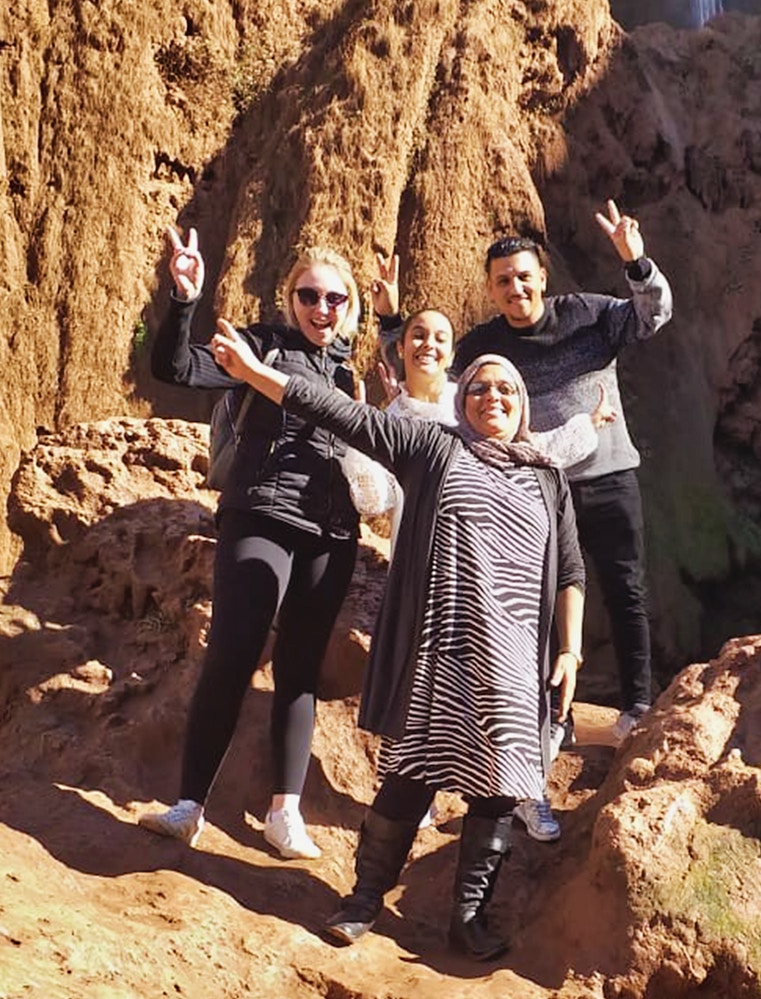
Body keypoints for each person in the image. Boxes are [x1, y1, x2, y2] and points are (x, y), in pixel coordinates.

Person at [210, 328, 585, 960]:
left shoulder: (549, 479)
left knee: (497, 792)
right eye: (479, 388)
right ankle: (363, 900)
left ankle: (468, 918)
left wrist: (569, 651)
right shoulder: (434, 448)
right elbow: (342, 413)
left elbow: (571, 571)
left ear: (524, 404)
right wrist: (254, 374)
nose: (492, 397)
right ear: (461, 399)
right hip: (438, 653)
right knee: (410, 777)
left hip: (516, 661)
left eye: (506, 389)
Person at [136, 227, 364, 861]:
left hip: (331, 533)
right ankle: (189, 806)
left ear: (349, 308)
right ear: (290, 299)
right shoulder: (260, 346)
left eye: (335, 299)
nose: (321, 308)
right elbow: (176, 368)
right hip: (261, 514)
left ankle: (284, 814)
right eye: (309, 295)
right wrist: (185, 299)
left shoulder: (351, 374)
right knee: (234, 651)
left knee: (300, 667)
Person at [450, 201, 672, 742]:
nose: (515, 288)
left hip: (609, 477)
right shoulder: (482, 346)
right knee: (542, 597)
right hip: (537, 489)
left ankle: (637, 707)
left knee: (625, 590)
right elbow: (436, 389)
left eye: (524, 277)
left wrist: (636, 262)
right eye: (503, 281)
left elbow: (653, 316)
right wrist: (392, 331)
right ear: (490, 289)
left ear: (542, 278)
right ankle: (555, 717)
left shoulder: (589, 314)